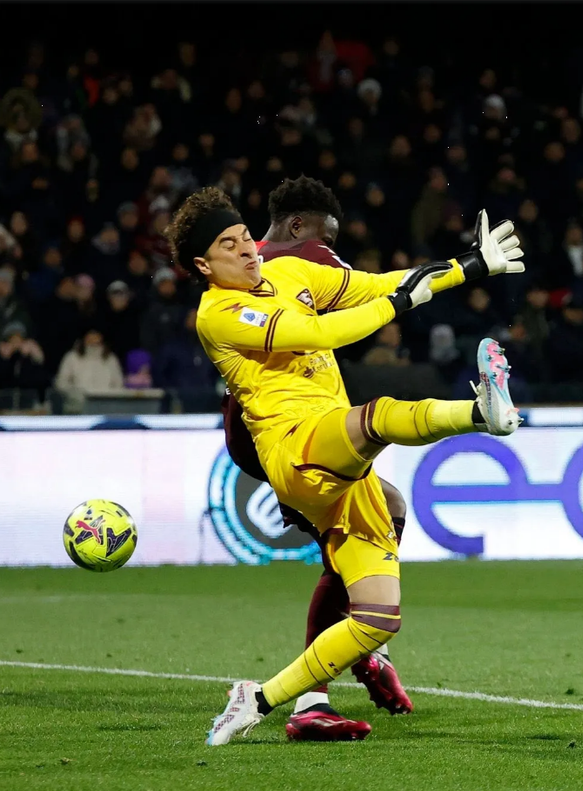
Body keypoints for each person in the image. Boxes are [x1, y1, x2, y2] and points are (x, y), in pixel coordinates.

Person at [165, 187, 525, 745]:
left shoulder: (286, 276)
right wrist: (404, 305)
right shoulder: (221, 314)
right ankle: (482, 412)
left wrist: (470, 266)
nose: (247, 251)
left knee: (377, 619)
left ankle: (257, 701)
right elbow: (321, 332)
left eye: (244, 238)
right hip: (296, 450)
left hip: (341, 465)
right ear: (202, 264)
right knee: (375, 419)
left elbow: (375, 286)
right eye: (229, 246)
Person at [220, 177, 412, 741]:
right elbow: (363, 290)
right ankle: (317, 692)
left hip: (254, 428)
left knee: (382, 512)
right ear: (300, 226)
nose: (332, 250)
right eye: (328, 238)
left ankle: (355, 657)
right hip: (284, 431)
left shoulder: (249, 266)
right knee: (357, 533)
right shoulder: (301, 255)